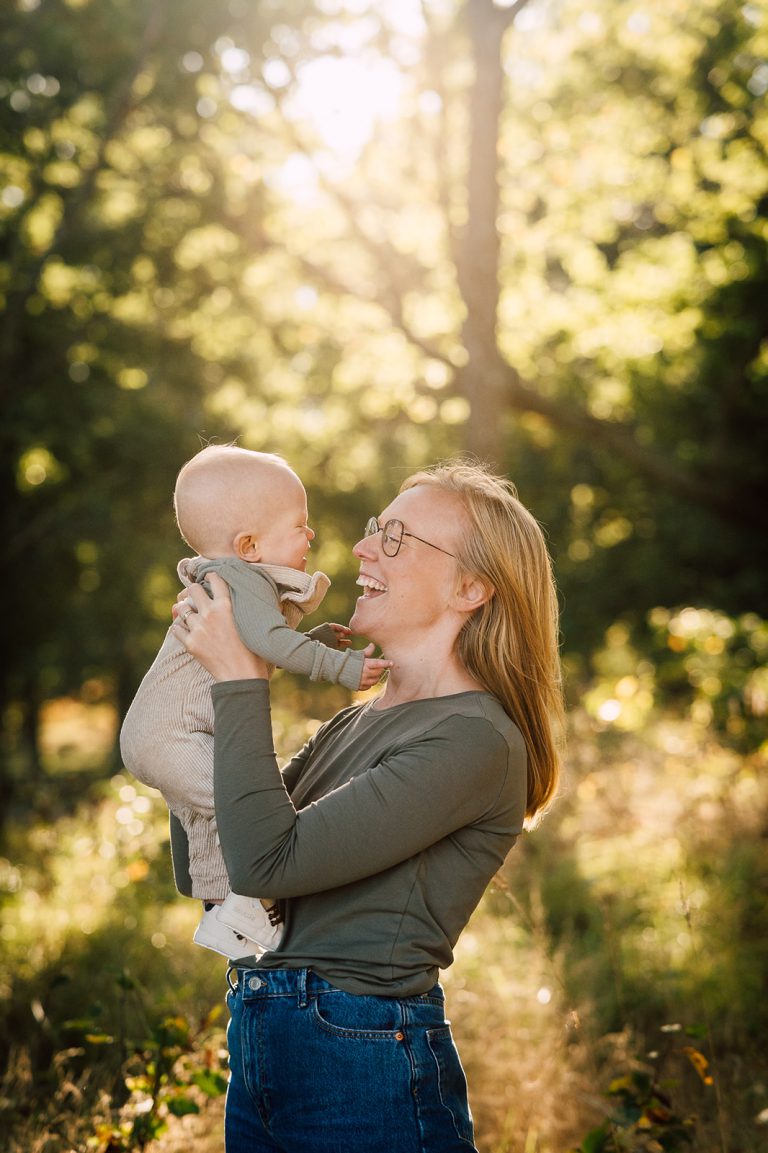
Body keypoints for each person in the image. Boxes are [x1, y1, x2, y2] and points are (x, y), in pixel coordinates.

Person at [170, 459, 564, 1153]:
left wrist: (240, 680)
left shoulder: (473, 738)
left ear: (470, 588)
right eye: (376, 527)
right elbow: (209, 863)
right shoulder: (353, 722)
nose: (360, 547)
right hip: (266, 1044)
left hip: (362, 1060)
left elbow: (265, 864)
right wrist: (192, 696)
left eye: (396, 537)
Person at [120, 445, 389, 959]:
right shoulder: (238, 580)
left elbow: (257, 647)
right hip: (171, 735)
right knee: (241, 811)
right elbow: (268, 642)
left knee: (216, 816)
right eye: (299, 525)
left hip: (165, 734)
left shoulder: (233, 580)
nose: (311, 535)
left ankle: (226, 917)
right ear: (249, 545)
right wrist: (341, 667)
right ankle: (246, 913)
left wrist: (313, 639)